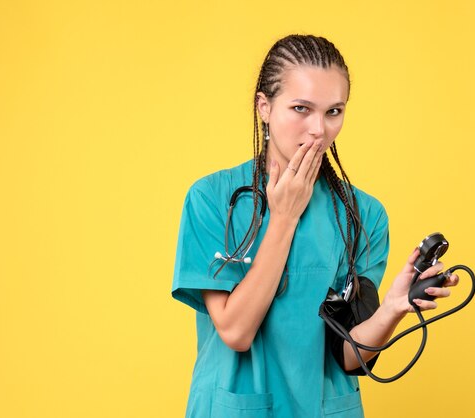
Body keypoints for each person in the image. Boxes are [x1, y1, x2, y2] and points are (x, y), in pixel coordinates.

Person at [171, 34, 459, 418]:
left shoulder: (363, 215)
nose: (318, 130)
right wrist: (284, 218)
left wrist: (391, 309)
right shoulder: (211, 199)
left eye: (333, 112)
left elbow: (348, 353)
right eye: (301, 108)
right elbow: (236, 333)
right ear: (264, 107)